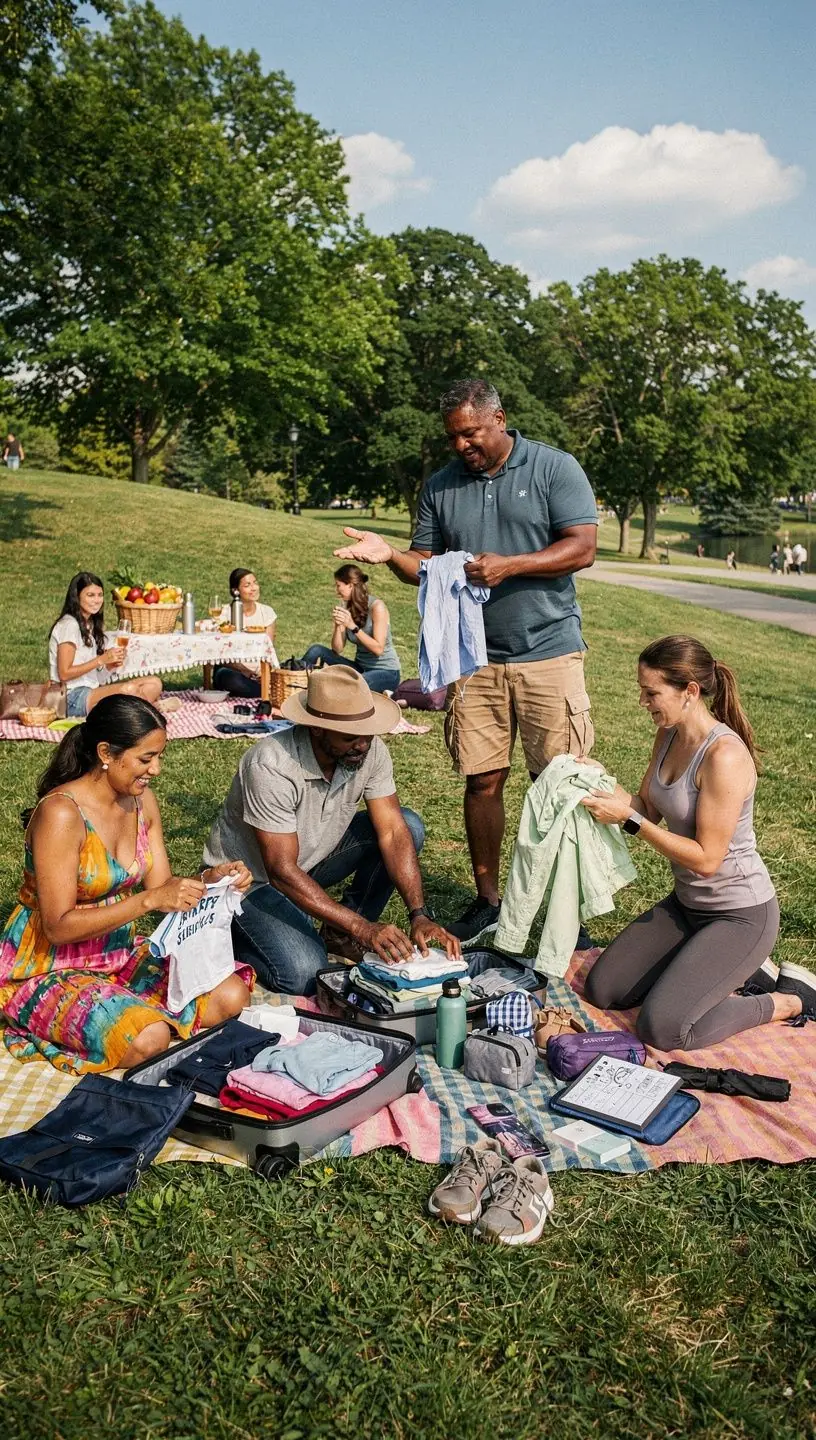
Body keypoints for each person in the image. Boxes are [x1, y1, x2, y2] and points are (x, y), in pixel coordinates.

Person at [335, 377, 598, 942]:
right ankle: (489, 900)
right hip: (471, 657)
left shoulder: (554, 468)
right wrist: (389, 556)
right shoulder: (441, 486)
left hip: (547, 650)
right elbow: (423, 565)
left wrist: (512, 565)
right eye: (453, 436)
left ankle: (563, 909)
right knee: (482, 780)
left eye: (470, 433)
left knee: (561, 784)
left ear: (499, 418)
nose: (461, 446)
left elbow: (583, 548)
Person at [580, 635, 814, 1049]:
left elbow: (706, 860)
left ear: (689, 691)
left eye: (651, 692)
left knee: (663, 1029)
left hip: (741, 916)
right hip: (688, 907)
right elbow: (648, 809)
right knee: (604, 990)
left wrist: (630, 821)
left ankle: (786, 998)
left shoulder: (724, 756)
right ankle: (721, 968)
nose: (642, 701)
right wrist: (599, 780)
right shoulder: (668, 734)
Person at [0, 696, 254, 1074]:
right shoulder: (61, 813)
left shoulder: (141, 801)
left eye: (159, 756)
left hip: (115, 954)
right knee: (150, 1038)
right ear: (106, 752)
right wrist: (149, 901)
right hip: (46, 968)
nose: (156, 769)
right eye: (145, 758)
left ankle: (126, 1011)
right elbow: (57, 926)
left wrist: (211, 880)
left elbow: (162, 885)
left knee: (232, 996)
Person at [204, 665, 459, 995]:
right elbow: (280, 871)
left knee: (409, 826)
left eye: (367, 733)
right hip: (247, 882)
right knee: (306, 973)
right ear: (318, 730)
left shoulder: (369, 749)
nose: (363, 744)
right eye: (350, 737)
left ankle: (336, 934)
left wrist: (419, 914)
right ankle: (228, 934)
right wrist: (362, 927)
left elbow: (394, 831)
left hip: (308, 863)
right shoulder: (270, 763)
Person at [49, 571, 163, 718]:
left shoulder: (89, 625)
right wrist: (101, 660)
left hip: (90, 691)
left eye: (100, 595)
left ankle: (137, 713)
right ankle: (148, 711)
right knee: (129, 690)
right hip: (70, 698)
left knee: (154, 683)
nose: (97, 600)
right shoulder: (69, 625)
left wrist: (109, 666)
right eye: (90, 595)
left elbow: (95, 678)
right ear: (76, 597)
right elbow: (64, 673)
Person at [300, 564, 401, 694]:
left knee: (353, 684)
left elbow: (378, 649)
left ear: (350, 585)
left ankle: (387, 693)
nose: (336, 590)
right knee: (316, 650)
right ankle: (294, 684)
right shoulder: (347, 607)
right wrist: (338, 625)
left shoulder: (377, 607)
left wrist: (352, 626)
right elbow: (338, 649)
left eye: (338, 585)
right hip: (359, 668)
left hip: (386, 672)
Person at [213, 568, 278, 698]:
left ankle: (263, 689)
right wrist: (246, 671)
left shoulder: (267, 612)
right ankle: (268, 693)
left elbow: (268, 650)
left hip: (260, 672)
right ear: (235, 591)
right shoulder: (224, 614)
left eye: (255, 583)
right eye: (247, 585)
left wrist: (265, 674)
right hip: (234, 670)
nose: (254, 588)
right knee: (228, 677)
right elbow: (219, 653)